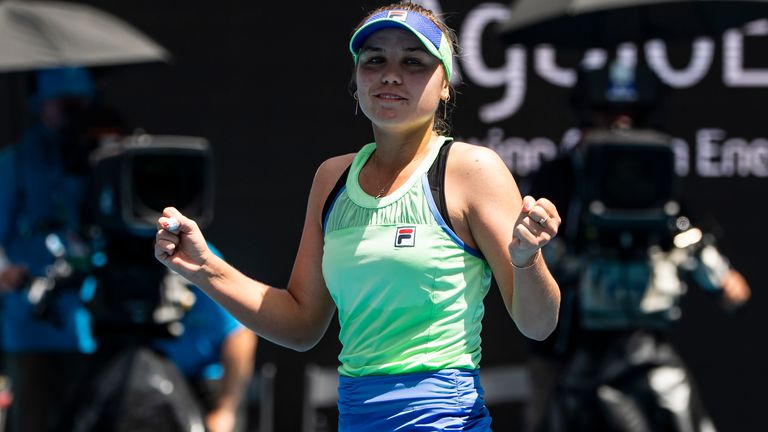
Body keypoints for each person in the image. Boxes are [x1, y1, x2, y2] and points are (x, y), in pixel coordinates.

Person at [154, 2, 561, 430]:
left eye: (413, 61)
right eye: (375, 60)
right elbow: (300, 324)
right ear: (356, 80)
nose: (390, 73)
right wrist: (204, 268)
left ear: (446, 85)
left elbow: (538, 325)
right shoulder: (332, 178)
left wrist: (526, 259)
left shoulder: (473, 170)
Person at [520, 63, 751, 432]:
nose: (619, 125)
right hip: (568, 347)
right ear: (586, 115)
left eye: (630, 116)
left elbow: (684, 233)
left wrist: (721, 278)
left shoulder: (656, 173)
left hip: (644, 344)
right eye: (607, 115)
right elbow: (532, 253)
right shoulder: (560, 174)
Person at [0, 67, 102, 432]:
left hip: (89, 326)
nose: (72, 114)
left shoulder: (94, 162)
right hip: (31, 328)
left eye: (80, 104)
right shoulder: (15, 164)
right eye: (64, 104)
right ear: (41, 105)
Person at [153, 255, 258, 432]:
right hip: (156, 376)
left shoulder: (197, 256)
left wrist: (225, 411)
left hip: (210, 382)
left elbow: (240, 336)